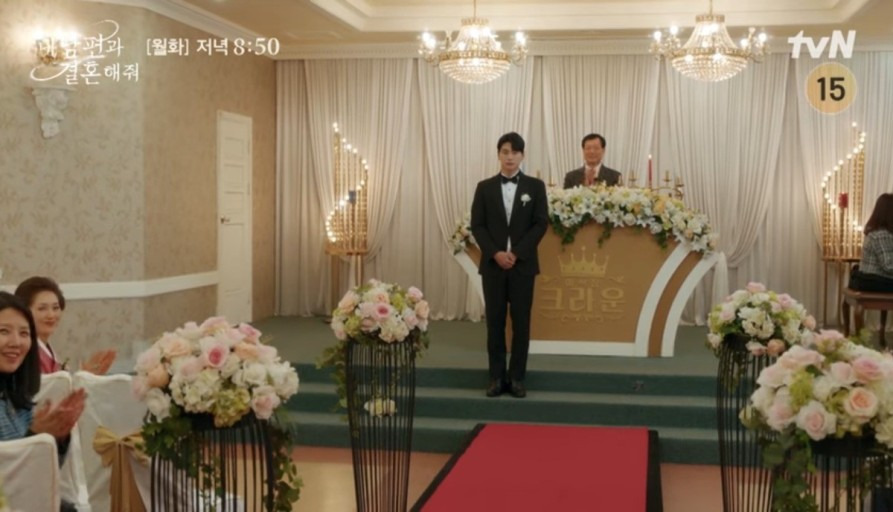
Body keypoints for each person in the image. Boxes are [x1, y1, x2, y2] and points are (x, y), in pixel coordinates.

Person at [470, 132, 548, 398]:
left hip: (522, 265)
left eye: (515, 152)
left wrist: (516, 253)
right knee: (494, 322)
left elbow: (540, 223)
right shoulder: (484, 187)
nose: (510, 157)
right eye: (505, 152)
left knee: (521, 323)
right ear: (498, 155)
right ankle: (495, 377)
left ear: (522, 155)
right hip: (493, 266)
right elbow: (477, 225)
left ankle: (516, 378)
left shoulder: (535, 187)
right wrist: (495, 253)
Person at [0, 292, 86, 512]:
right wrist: (35, 438)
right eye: (3, 331)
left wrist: (56, 438)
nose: (16, 342)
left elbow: (41, 477)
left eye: (24, 333)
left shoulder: (15, 394)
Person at [14, 276, 116, 374]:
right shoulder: (24, 351)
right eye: (42, 308)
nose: (51, 315)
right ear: (23, 311)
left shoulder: (45, 347)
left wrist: (85, 375)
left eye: (55, 308)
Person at [850, 193, 893, 292]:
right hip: (876, 280)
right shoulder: (882, 235)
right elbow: (889, 266)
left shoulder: (876, 233)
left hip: (870, 279)